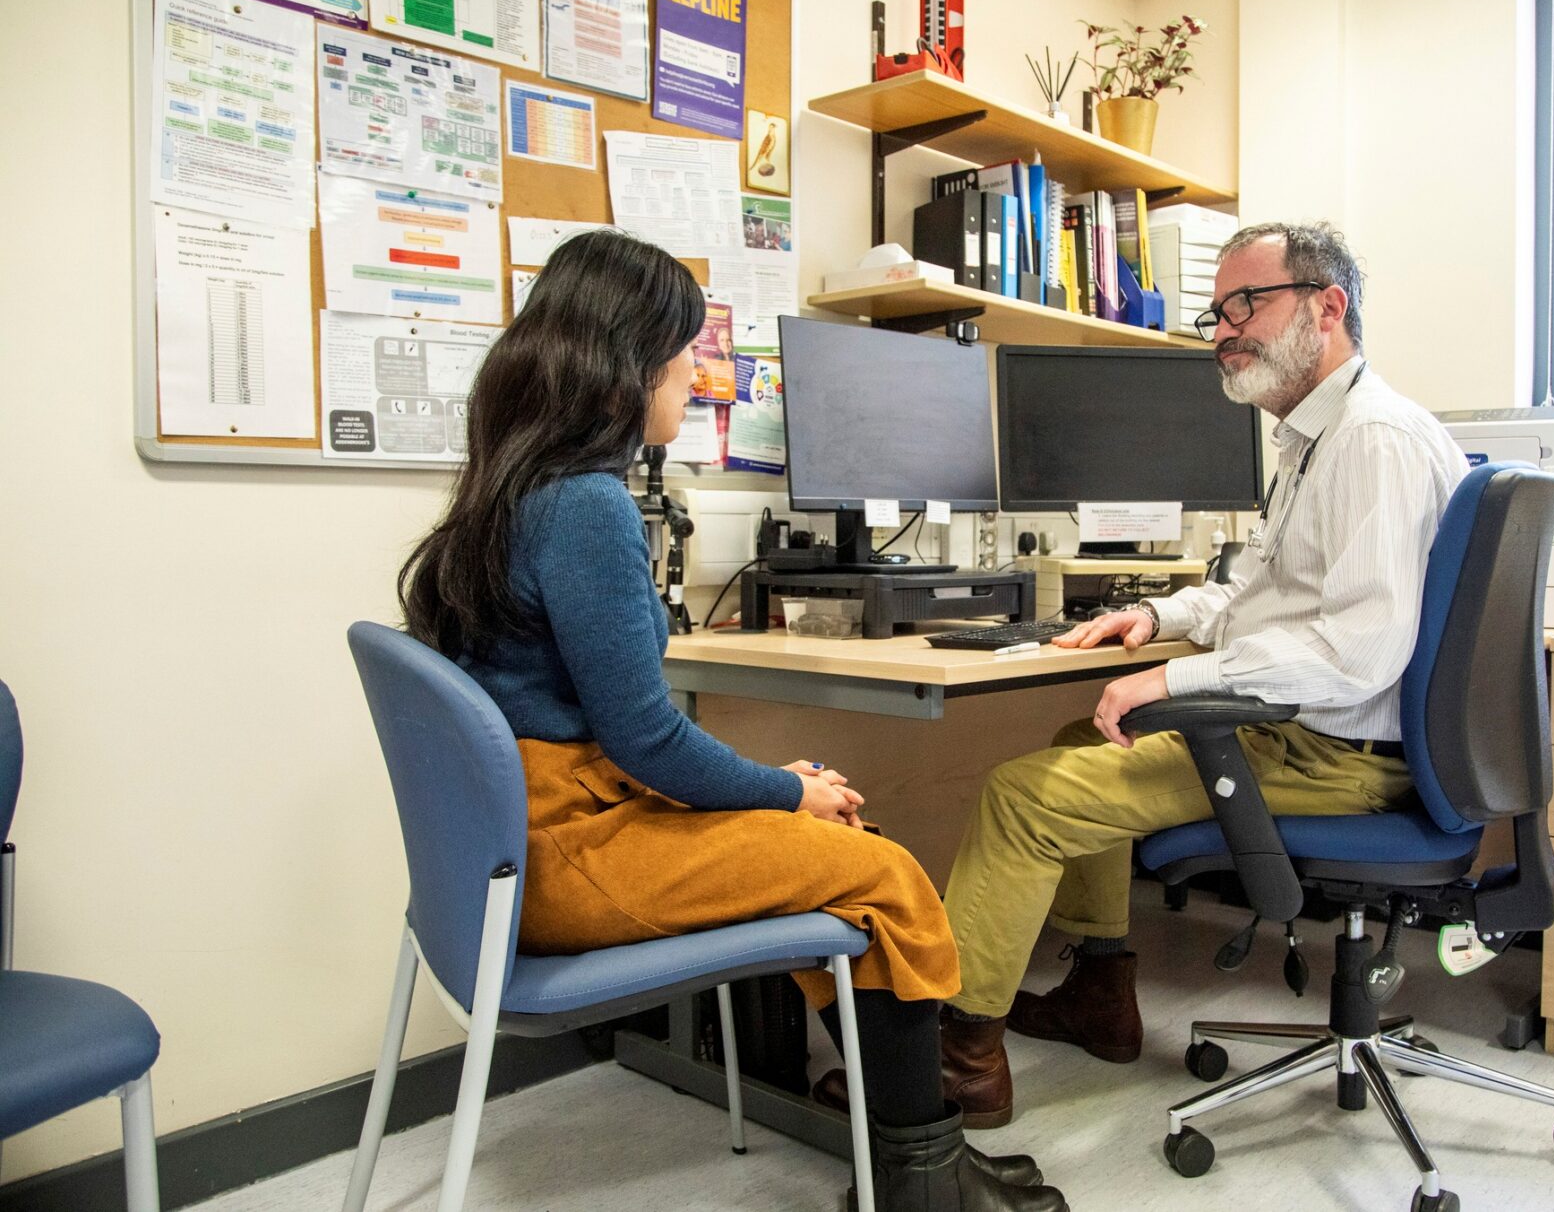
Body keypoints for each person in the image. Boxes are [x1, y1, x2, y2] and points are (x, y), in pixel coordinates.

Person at [397, 229, 1065, 1212]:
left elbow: (622, 739)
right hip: (566, 852)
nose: (692, 370)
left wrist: (783, 793)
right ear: (626, 362)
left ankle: (914, 1161)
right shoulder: (585, 507)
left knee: (841, 849)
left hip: (519, 848)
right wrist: (791, 787)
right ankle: (925, 1184)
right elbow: (647, 740)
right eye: (680, 347)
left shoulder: (512, 485)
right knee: (882, 871)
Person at [936, 222, 1471, 1128]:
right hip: (1315, 733)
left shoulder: (1372, 442)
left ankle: (955, 1067)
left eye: (1246, 305)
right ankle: (1101, 994)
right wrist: (1159, 620)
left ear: (1327, 308)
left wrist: (1178, 683)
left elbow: (1360, 650)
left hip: (1332, 751)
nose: (1223, 331)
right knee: (1082, 737)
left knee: (1023, 796)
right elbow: (1261, 590)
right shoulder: (1316, 438)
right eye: (1215, 312)